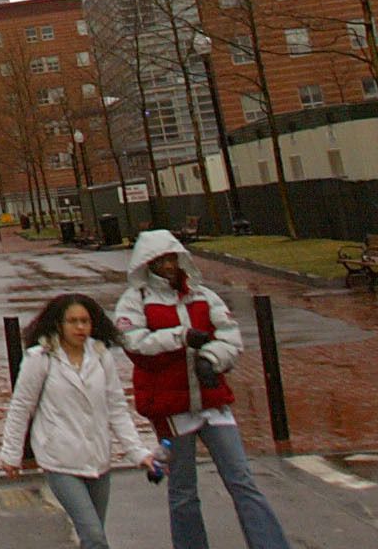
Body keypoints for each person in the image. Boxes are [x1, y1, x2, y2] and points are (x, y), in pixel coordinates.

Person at [115, 229, 294, 549]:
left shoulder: (203, 295)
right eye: (161, 260)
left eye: (172, 258)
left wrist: (211, 359)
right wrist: (181, 336)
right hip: (172, 410)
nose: (169, 266)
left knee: (242, 480)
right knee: (183, 490)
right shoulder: (135, 301)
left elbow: (229, 336)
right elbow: (134, 343)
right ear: (147, 264)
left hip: (213, 402)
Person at [0, 292, 161, 549]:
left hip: (98, 460)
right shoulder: (41, 358)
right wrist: (11, 453)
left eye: (85, 321)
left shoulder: (100, 356)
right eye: (72, 321)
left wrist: (137, 452)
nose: (80, 327)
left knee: (93, 535)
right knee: (95, 536)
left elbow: (116, 408)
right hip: (60, 460)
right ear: (58, 324)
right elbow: (21, 407)